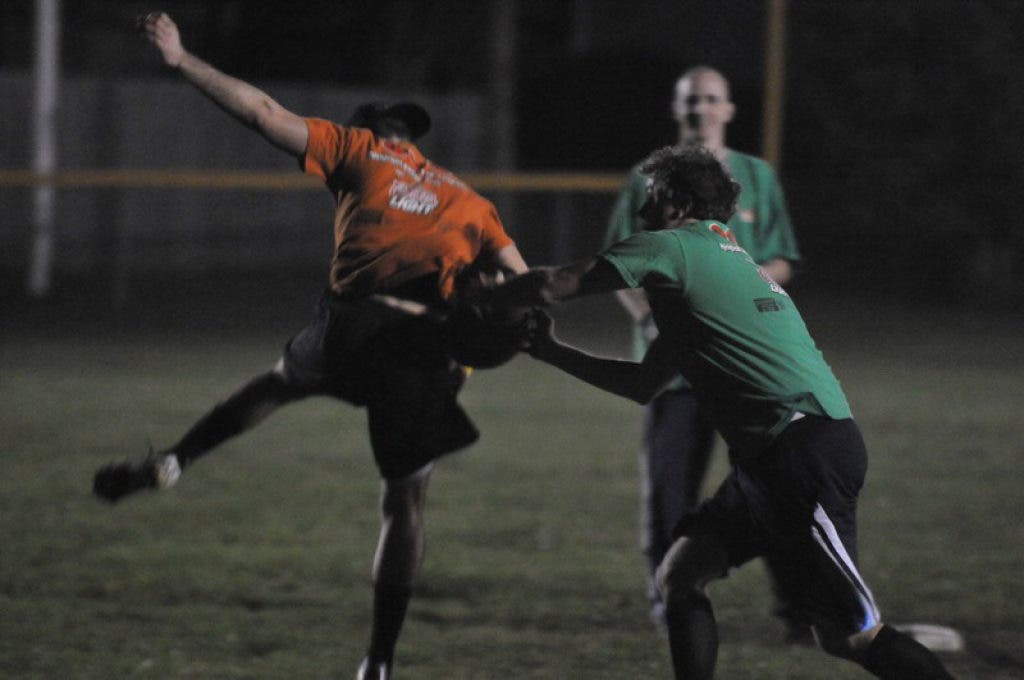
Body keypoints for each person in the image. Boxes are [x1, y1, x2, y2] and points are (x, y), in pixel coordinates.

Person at [92, 12, 528, 680]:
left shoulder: (356, 150)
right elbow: (521, 288)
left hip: (349, 331)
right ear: (412, 138)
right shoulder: (468, 199)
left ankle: (175, 461)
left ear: (373, 130)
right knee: (405, 502)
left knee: (276, 383)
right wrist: (487, 336)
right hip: (419, 351)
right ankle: (378, 663)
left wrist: (182, 60)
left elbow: (262, 112)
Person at [484, 145, 955, 679]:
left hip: (804, 456)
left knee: (853, 635)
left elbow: (552, 284)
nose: (641, 214)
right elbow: (643, 384)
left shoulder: (674, 248)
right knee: (680, 576)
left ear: (680, 205)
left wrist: (471, 300)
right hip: (771, 464)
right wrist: (551, 352)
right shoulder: (718, 267)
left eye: (653, 200)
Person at [605, 66, 802, 633]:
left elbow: (784, 256)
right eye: (691, 101)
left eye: (712, 99)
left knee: (772, 486)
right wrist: (657, 320)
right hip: (679, 373)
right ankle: (671, 602)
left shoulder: (757, 177)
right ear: (677, 109)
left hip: (745, 367)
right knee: (669, 494)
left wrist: (735, 290)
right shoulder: (646, 179)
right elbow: (621, 267)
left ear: (730, 109)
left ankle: (798, 609)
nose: (701, 110)